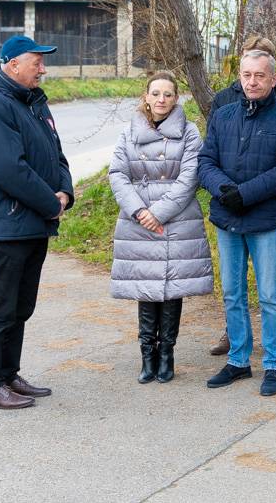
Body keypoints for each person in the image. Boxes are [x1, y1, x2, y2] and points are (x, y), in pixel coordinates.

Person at [0, 35, 74, 409]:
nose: (43, 69)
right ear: (12, 64)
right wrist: (50, 204)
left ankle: (9, 374)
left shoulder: (33, 104)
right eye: (36, 62)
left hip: (34, 221)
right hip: (9, 224)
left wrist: (65, 192)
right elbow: (6, 169)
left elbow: (57, 155)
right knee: (0, 307)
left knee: (21, 305)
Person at [199, 50, 276, 397]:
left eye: (260, 75)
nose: (252, 81)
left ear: (273, 79)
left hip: (266, 220)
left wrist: (244, 194)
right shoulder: (224, 114)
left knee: (271, 295)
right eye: (246, 75)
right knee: (232, 293)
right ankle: (238, 360)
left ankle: (273, 364)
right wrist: (221, 189)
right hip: (227, 219)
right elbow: (206, 161)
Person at [108, 71, 214, 384]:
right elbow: (117, 173)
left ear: (176, 98)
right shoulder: (129, 132)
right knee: (146, 286)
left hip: (175, 220)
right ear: (146, 96)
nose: (161, 100)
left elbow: (189, 178)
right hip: (138, 219)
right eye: (155, 94)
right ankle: (147, 355)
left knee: (170, 289)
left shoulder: (191, 133)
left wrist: (159, 212)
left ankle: (166, 353)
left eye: (168, 94)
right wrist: (140, 211)